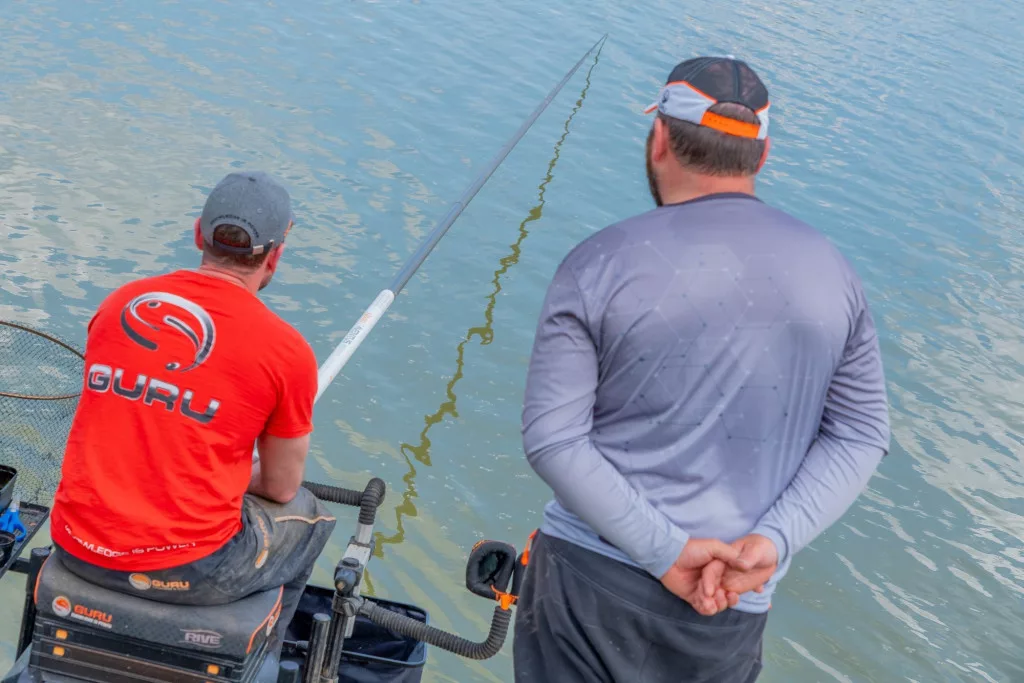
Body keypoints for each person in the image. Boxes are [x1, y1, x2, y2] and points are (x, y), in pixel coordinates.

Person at [513, 56, 890, 682]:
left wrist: (667, 552)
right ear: (762, 155)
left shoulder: (597, 263)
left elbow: (554, 439)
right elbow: (861, 433)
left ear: (660, 138)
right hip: (734, 602)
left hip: (589, 581)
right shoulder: (834, 273)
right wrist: (773, 541)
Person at [49, 171, 335, 650]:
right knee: (309, 518)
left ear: (198, 234)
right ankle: (264, 656)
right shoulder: (287, 351)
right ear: (275, 255)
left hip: (75, 544)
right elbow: (281, 487)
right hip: (188, 568)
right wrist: (234, 471)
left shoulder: (120, 304)